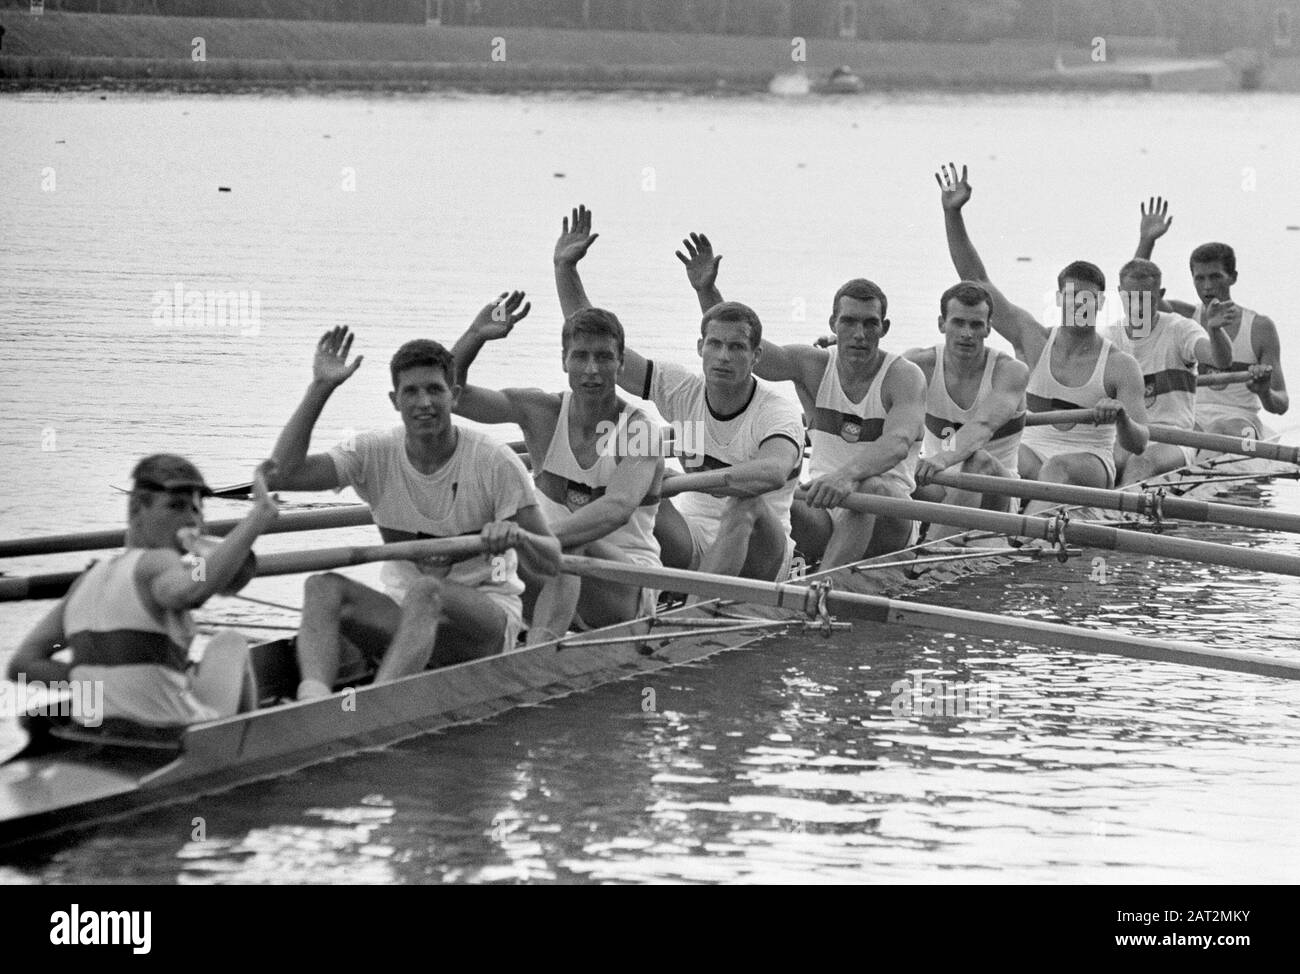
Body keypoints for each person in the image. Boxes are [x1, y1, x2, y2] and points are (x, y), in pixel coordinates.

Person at [267, 326, 561, 699]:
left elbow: (552, 561)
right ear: (395, 400)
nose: (424, 402)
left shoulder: (494, 461)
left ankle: (375, 704)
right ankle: (313, 701)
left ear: (453, 396)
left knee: (426, 591)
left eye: (435, 389)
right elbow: (282, 474)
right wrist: (320, 389)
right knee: (321, 588)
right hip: (404, 615)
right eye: (411, 392)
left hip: (483, 624)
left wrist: (519, 537)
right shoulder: (372, 452)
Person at [554, 206, 805, 583]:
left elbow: (771, 473)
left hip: (763, 554)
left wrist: (676, 481)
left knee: (744, 503)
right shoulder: (681, 389)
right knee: (620, 480)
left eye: (736, 348)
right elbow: (603, 349)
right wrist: (564, 270)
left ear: (756, 357)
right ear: (699, 347)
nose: (723, 356)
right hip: (693, 538)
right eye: (715, 345)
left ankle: (689, 614)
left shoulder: (776, 412)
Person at [676, 231, 924, 568]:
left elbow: (897, 443)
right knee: (760, 495)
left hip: (888, 513)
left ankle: (822, 585)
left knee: (871, 486)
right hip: (823, 505)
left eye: (870, 324)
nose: (859, 334)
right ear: (833, 324)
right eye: (849, 322)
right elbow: (746, 352)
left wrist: (845, 477)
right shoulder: (815, 364)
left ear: (885, 328)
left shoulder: (903, 376)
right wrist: (706, 291)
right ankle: (724, 576)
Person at [450, 295, 664, 643]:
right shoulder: (540, 411)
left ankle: (537, 651)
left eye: (604, 357)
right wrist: (476, 335)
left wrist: (534, 541)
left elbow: (618, 508)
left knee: (568, 544)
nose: (592, 369)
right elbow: (453, 397)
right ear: (564, 361)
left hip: (624, 586)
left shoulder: (639, 430)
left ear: (621, 364)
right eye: (580, 356)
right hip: (547, 562)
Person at [936, 163, 1150, 511]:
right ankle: (957, 530)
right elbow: (975, 279)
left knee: (1057, 467)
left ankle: (1026, 533)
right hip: (1029, 455)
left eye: (1087, 301)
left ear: (1099, 304)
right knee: (979, 457)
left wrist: (1123, 418)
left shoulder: (1119, 366)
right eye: (1071, 299)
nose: (1078, 307)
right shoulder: (1032, 340)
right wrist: (952, 213)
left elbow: (1140, 443)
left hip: (1090, 463)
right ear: (1057, 300)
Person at [6, 455, 277, 726]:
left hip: (94, 727)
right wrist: (255, 520)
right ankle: (242, 746)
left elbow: (24, 664)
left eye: (197, 510)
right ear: (137, 509)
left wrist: (96, 685)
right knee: (230, 642)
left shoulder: (86, 581)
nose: (193, 522)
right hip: (171, 733)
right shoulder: (158, 562)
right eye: (177, 507)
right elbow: (193, 591)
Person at [1135, 198, 1289, 440]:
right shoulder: (1184, 317)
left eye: (1215, 277)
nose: (1207, 287)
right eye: (1200, 278)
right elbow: (1139, 303)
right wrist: (1147, 241)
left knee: (1221, 430)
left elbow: (1281, 404)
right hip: (1191, 421)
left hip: (1242, 423)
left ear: (1233, 277)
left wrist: (1264, 391)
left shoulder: (1260, 328)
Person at [907, 282, 1029, 534]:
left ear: (988, 328)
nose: (966, 333)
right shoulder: (919, 364)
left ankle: (933, 556)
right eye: (958, 323)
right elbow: (878, 380)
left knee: (977, 460)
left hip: (996, 493)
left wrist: (941, 458)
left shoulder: (1009, 371)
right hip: (937, 483)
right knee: (886, 470)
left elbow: (983, 426)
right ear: (942, 324)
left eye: (975, 325)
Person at [1104, 253, 1232, 483]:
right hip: (1127, 435)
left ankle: (1118, 513)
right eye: (1131, 298)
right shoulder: (1109, 338)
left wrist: (1215, 331)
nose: (1137, 307)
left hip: (1174, 439)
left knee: (1140, 462)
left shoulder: (1180, 329)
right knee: (1111, 463)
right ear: (1120, 294)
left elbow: (1220, 360)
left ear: (1160, 295)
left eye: (1146, 298)